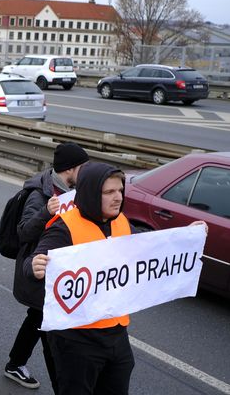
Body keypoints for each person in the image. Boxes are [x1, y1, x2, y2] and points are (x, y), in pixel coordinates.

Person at [28, 161, 207, 395]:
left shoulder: (121, 221)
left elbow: (149, 246)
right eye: (109, 192)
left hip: (116, 334)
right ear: (92, 193)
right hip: (76, 340)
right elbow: (34, 260)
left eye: (120, 190)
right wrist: (34, 265)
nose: (118, 197)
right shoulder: (64, 227)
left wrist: (187, 236)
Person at [3, 142, 88, 391]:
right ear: (70, 169)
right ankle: (60, 386)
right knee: (49, 327)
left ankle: (15, 364)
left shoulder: (71, 192)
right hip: (39, 271)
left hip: (58, 272)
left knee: (38, 318)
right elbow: (23, 232)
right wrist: (45, 212)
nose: (85, 171)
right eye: (82, 166)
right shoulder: (38, 195)